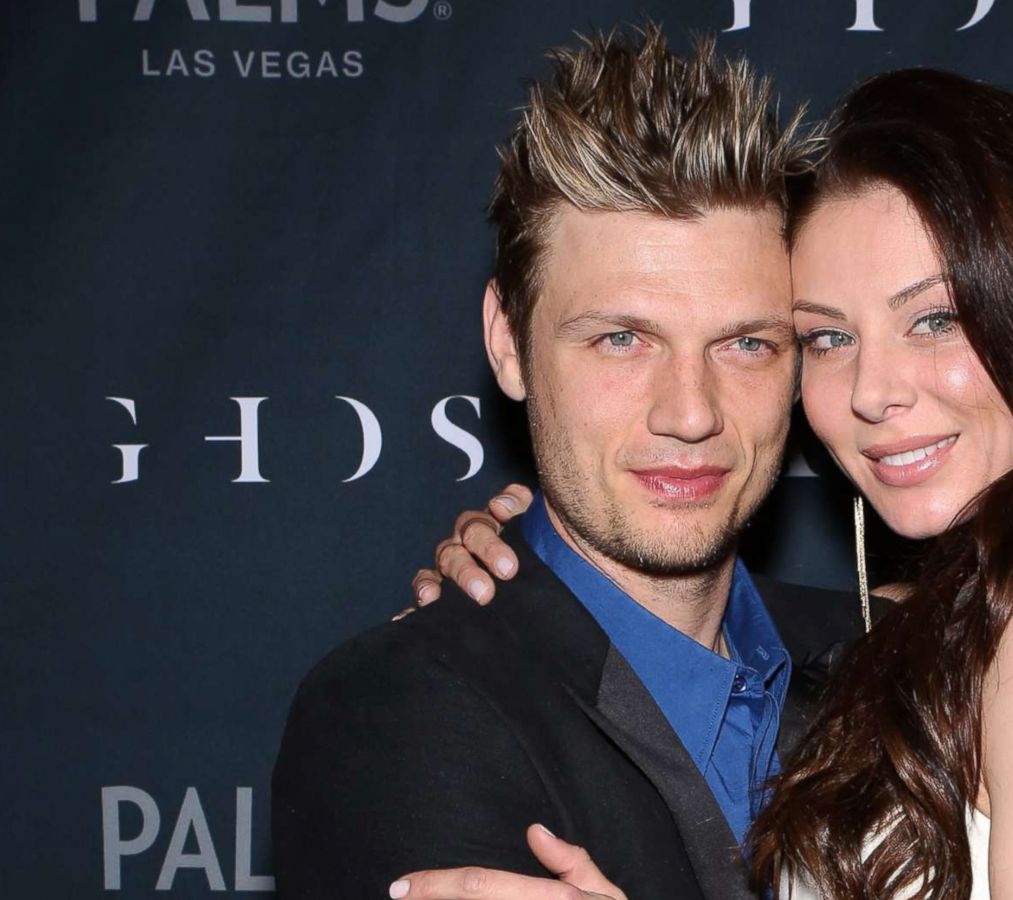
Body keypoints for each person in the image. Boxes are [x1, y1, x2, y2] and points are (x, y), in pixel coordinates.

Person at [397, 68, 1013, 900]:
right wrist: (530, 586)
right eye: (826, 338)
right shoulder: (942, 619)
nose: (873, 391)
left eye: (934, 319)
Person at [269, 27, 866, 900]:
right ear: (507, 342)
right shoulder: (399, 717)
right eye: (622, 340)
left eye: (745, 343)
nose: (690, 412)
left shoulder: (893, 660)